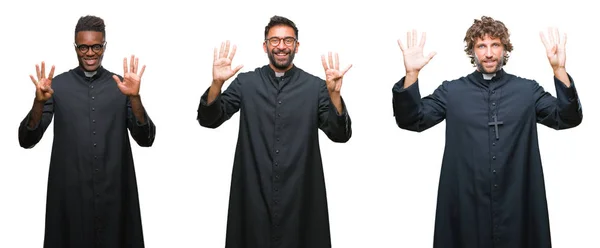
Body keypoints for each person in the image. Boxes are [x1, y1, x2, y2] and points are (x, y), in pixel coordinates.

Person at [392, 16, 582, 248]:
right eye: (481, 46)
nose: (489, 53)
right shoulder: (452, 92)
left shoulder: (527, 91)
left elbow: (568, 118)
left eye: (495, 45)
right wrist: (412, 74)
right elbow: (412, 119)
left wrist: (559, 70)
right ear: (472, 51)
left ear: (505, 49)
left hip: (517, 205)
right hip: (466, 208)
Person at [197, 15, 352, 248]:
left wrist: (335, 96)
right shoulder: (245, 83)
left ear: (297, 46)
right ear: (265, 46)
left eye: (288, 41)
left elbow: (340, 135)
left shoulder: (316, 87)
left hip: (300, 196)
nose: (281, 46)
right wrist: (217, 83)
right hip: (253, 194)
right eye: (275, 40)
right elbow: (210, 119)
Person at [18, 15, 156, 248]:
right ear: (75, 47)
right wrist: (39, 102)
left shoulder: (122, 86)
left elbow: (146, 138)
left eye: (96, 46)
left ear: (104, 46)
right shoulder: (56, 87)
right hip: (70, 201)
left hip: (115, 196)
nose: (90, 53)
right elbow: (26, 139)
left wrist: (134, 98)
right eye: (83, 47)